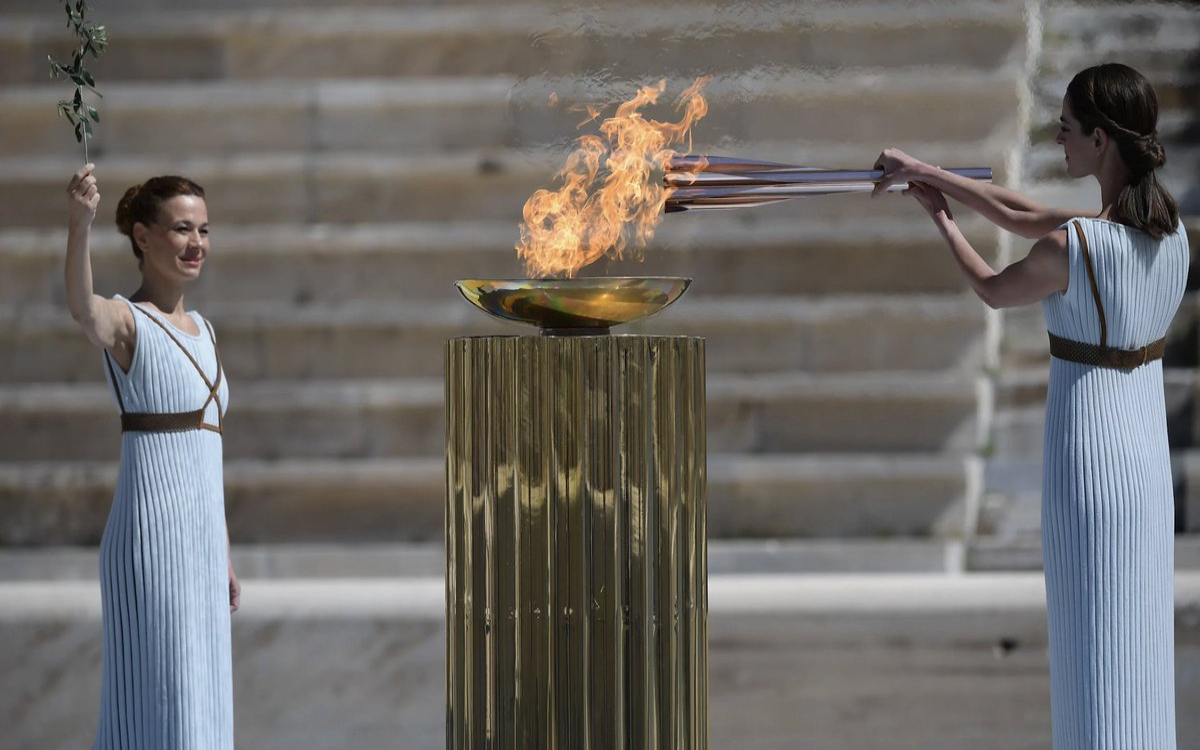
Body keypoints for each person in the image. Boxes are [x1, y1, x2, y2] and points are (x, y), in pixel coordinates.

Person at [874, 62, 1186, 747]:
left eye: (1068, 129)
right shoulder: (1168, 234)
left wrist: (941, 218)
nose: (1058, 140)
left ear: (1101, 140)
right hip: (1144, 464)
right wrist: (929, 170)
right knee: (1136, 655)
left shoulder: (1074, 247)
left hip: (1090, 464)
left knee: (1090, 654)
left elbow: (992, 287)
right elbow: (1021, 212)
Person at [65, 164, 239, 748]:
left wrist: (225, 551)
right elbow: (81, 309)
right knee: (158, 700)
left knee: (203, 698)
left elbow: (207, 453)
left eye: (205, 231)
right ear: (143, 237)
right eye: (182, 229)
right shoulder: (127, 321)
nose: (197, 244)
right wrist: (80, 224)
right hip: (151, 538)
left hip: (201, 541)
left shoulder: (207, 330)